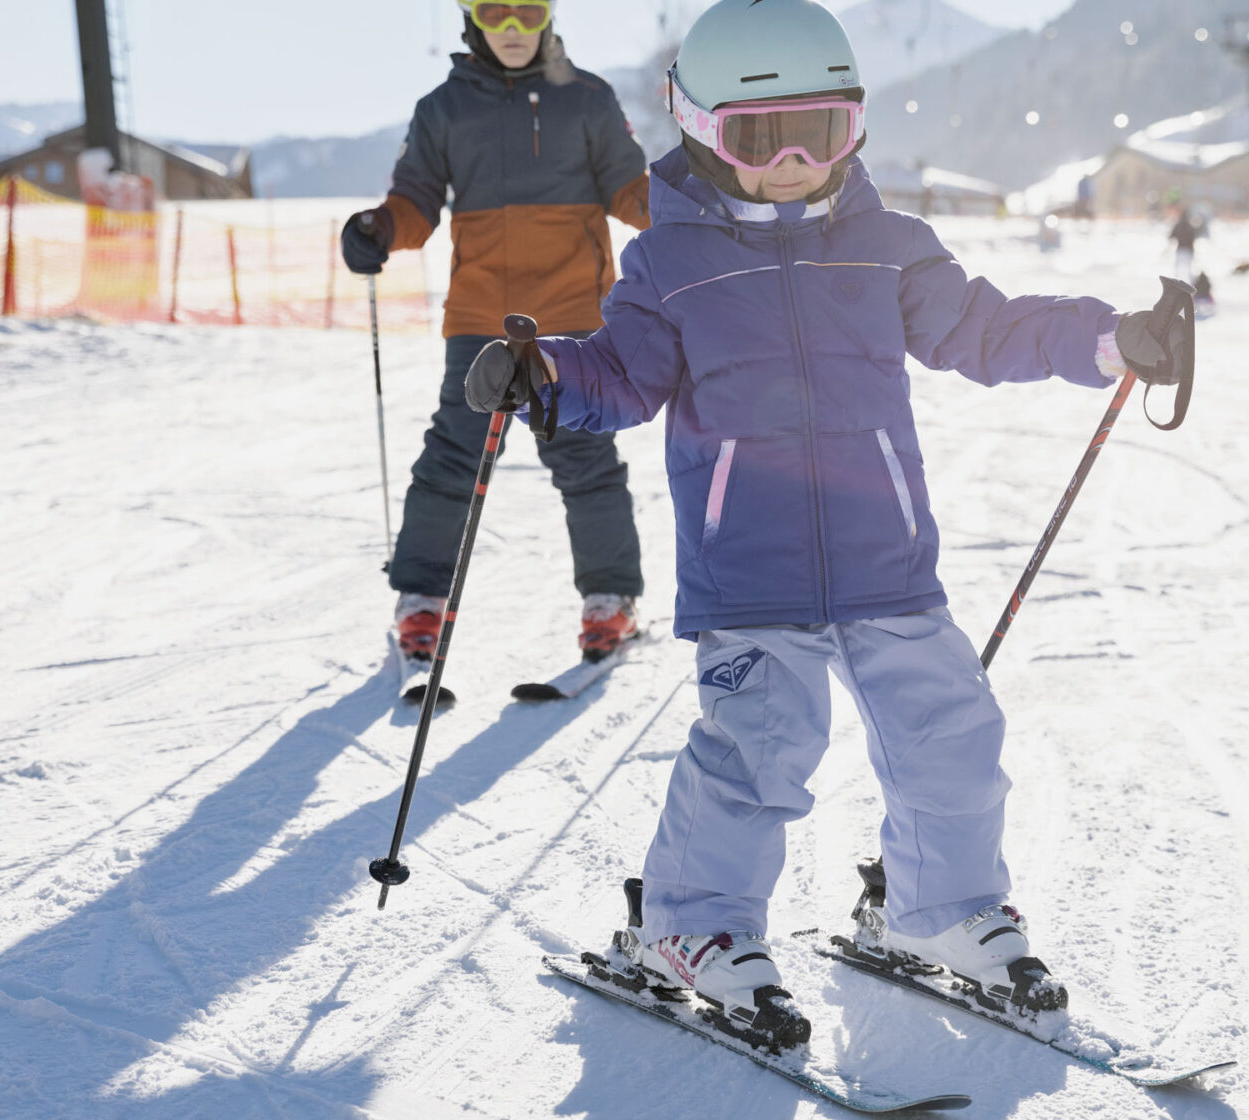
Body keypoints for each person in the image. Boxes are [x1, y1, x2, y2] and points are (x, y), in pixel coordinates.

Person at [461, 0, 1192, 1049]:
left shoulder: (887, 247)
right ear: (697, 129)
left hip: (885, 560)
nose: (795, 161)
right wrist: (541, 375)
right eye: (761, 138)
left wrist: (1106, 341)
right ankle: (692, 927)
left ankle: (939, 910)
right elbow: (618, 378)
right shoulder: (669, 265)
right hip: (748, 569)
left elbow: (984, 327)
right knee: (758, 752)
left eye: (825, 131)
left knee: (953, 734)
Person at [342, 0, 651, 666]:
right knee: (455, 456)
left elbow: (632, 189)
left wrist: (688, 218)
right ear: (471, 17)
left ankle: (610, 598)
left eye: (528, 11)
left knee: (584, 458)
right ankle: (422, 599)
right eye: (495, 11)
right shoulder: (444, 109)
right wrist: (380, 229)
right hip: (482, 319)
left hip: (573, 320)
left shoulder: (590, 99)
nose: (512, 29)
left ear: (548, 15)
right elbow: (417, 200)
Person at [1169, 205, 1203, 281]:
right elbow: (1195, 235)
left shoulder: (1178, 225)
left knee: (1178, 268)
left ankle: (1177, 284)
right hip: (1189, 250)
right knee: (1188, 269)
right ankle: (1189, 285)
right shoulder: (1190, 226)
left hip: (1180, 250)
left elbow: (1171, 236)